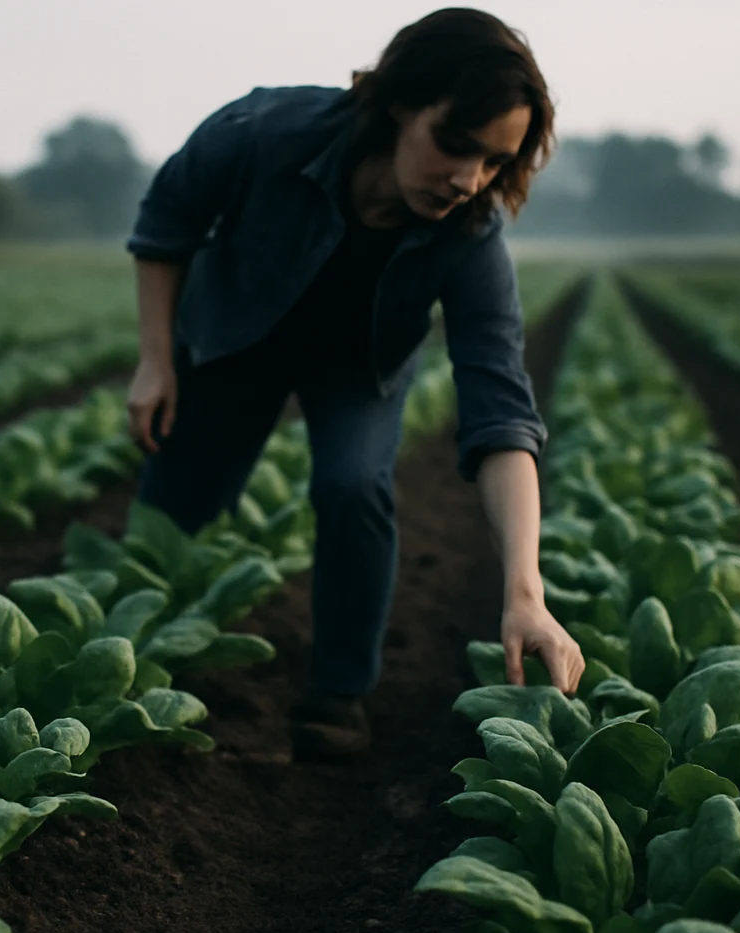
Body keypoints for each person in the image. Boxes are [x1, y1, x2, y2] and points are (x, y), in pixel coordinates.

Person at [122, 7, 584, 760]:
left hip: (359, 365)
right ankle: (132, 653)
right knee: (178, 500)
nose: (469, 180)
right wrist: (155, 359)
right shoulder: (265, 131)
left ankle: (339, 692)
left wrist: (525, 593)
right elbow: (167, 221)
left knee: (354, 484)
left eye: (495, 162)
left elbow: (500, 409)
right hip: (237, 333)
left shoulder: (470, 235)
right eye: (455, 144)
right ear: (400, 102)